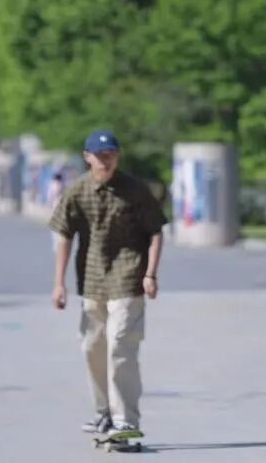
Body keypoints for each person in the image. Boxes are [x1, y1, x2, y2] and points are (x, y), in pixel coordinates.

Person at [49, 129, 167, 442]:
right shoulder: (77, 191)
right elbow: (64, 235)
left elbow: (155, 232)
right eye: (100, 155)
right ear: (87, 157)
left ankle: (125, 420)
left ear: (117, 156)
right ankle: (104, 412)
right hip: (91, 280)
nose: (106, 160)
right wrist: (58, 283)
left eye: (111, 154)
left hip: (128, 276)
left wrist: (151, 274)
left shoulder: (135, 190)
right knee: (92, 346)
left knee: (120, 344)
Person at [48, 172, 65, 253]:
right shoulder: (62, 185)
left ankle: (56, 244)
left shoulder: (52, 185)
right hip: (60, 208)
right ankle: (58, 243)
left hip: (55, 208)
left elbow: (49, 197)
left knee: (55, 227)